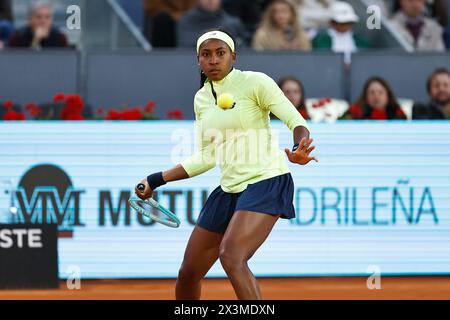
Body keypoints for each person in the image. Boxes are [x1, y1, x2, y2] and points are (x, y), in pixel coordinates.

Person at [134, 29, 317, 300]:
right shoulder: (201, 99)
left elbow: (296, 121)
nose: (213, 60)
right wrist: (156, 179)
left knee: (232, 257)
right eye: (206, 55)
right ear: (198, 61)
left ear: (233, 56)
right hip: (230, 188)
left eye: (220, 53)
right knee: (188, 273)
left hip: (266, 181)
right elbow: (207, 157)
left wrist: (298, 147)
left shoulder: (256, 82)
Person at [177, 0, 249, 48]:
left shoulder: (233, 24)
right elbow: (184, 51)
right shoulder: (185, 22)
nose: (210, 1)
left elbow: (243, 51)